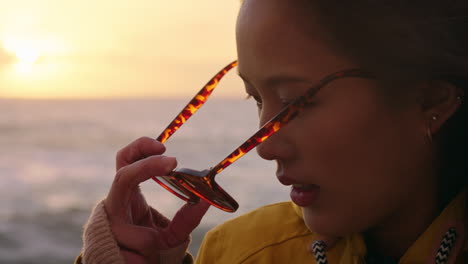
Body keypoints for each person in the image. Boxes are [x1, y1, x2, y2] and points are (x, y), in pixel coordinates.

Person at [75, 0, 468, 263]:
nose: (265, 146)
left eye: (297, 101)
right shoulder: (238, 252)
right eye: (255, 99)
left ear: (431, 99)